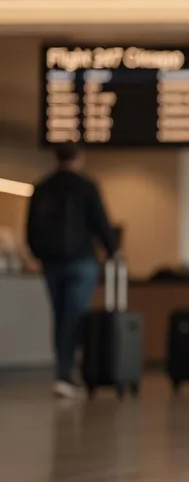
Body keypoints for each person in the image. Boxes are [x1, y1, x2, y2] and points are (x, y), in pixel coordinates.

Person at [24, 143, 119, 398]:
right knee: (74, 316)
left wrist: (38, 254)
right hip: (81, 260)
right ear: (80, 157)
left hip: (51, 262)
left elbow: (30, 227)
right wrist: (113, 249)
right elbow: (100, 221)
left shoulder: (42, 187)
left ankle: (64, 372)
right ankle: (67, 373)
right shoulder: (86, 186)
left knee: (61, 316)